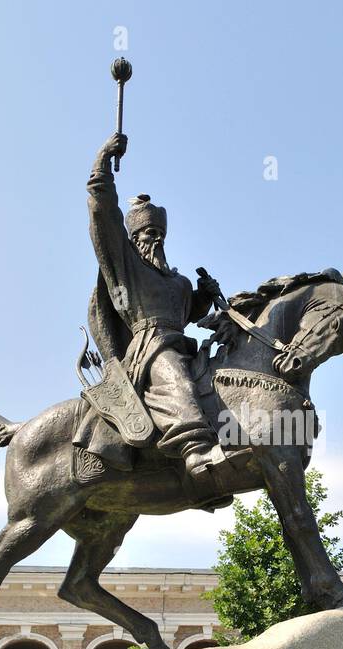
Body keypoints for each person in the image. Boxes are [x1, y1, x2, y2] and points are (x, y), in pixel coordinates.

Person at [83, 132, 227, 477]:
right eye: (149, 234)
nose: (156, 238)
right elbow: (103, 218)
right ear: (133, 239)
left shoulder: (178, 281)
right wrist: (103, 163)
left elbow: (189, 314)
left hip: (181, 343)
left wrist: (205, 295)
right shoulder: (127, 267)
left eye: (160, 234)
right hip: (151, 349)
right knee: (174, 376)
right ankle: (196, 450)